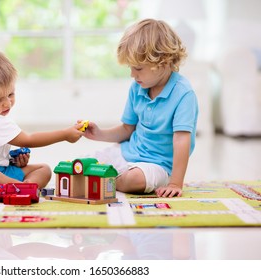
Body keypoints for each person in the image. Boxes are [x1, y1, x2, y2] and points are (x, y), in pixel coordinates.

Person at [83, 19, 198, 198]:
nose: (132, 74)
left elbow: (182, 140)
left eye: (137, 68)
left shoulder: (183, 94)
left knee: (134, 180)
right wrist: (99, 134)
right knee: (85, 164)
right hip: (128, 152)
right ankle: (109, 176)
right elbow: (127, 129)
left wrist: (176, 182)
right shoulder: (137, 87)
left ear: (163, 62)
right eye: (130, 67)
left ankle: (108, 179)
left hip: (158, 165)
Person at [0, 50, 84, 195]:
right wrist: (65, 135)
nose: (7, 103)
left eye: (10, 94)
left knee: (43, 169)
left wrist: (12, 160)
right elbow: (29, 140)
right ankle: (17, 186)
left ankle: (23, 187)